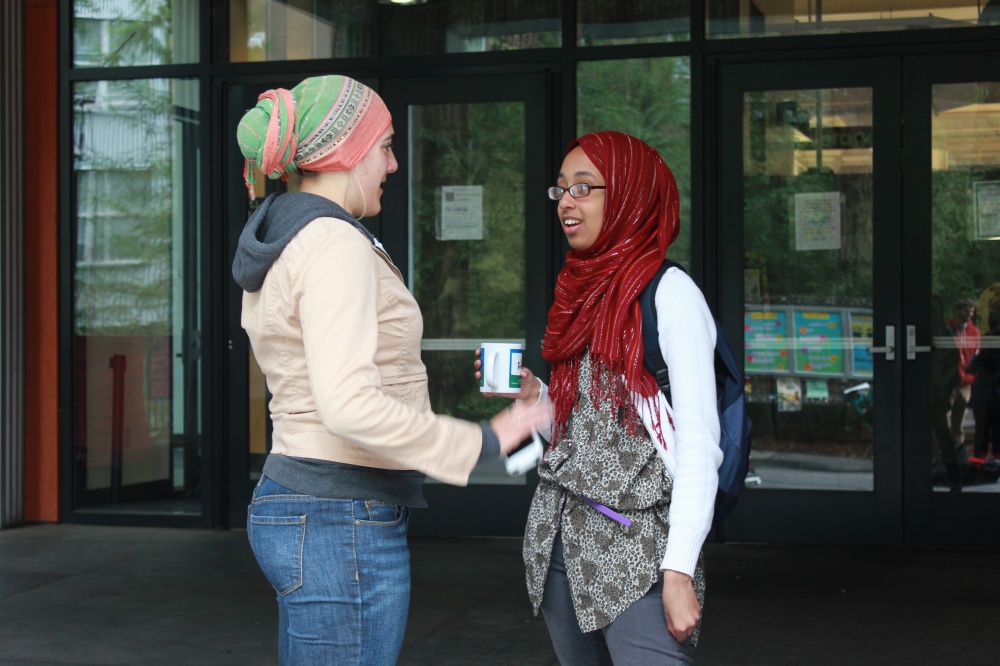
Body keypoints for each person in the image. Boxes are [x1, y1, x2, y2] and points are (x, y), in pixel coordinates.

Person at [231, 75, 548, 666]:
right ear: (347, 151)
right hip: (339, 515)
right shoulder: (332, 243)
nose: (394, 163)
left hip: (309, 501)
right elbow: (347, 403)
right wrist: (485, 439)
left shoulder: (290, 235)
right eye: (385, 145)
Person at [482, 131, 722, 664]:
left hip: (640, 553)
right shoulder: (578, 290)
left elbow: (700, 448)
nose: (567, 201)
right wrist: (539, 397)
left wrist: (679, 571)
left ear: (630, 196)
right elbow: (584, 428)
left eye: (585, 187)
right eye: (562, 189)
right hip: (562, 544)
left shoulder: (669, 294)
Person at [947, 297, 981, 450]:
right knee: (942, 418)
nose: (970, 314)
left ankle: (957, 451)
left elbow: (976, 355)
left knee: (958, 421)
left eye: (972, 311)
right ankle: (940, 452)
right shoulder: (948, 328)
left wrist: (972, 376)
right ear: (958, 311)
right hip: (948, 379)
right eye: (966, 310)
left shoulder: (974, 332)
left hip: (965, 381)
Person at [967, 310, 1000, 460]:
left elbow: (971, 368)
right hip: (991, 395)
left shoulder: (983, 352)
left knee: (982, 431)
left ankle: (979, 463)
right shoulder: (986, 351)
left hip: (983, 395)